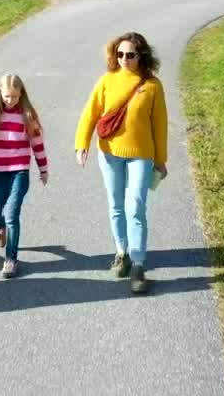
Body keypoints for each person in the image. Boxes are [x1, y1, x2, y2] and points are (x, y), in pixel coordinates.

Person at [74, 32, 168, 294]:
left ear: (142, 57)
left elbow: (159, 126)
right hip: (109, 152)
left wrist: (161, 160)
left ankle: (138, 265)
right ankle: (121, 252)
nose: (124, 59)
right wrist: (81, 144)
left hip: (142, 154)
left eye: (130, 55)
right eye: (120, 54)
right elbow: (90, 113)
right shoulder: (107, 81)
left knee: (135, 205)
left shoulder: (152, 86)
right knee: (116, 205)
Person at [0, 74, 48, 278]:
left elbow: (37, 144)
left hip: (19, 172)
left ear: (21, 95)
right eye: (7, 96)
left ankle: (11, 259)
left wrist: (43, 169)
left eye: (15, 97)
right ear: (0, 93)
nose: (11, 101)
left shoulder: (27, 116)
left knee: (12, 214)